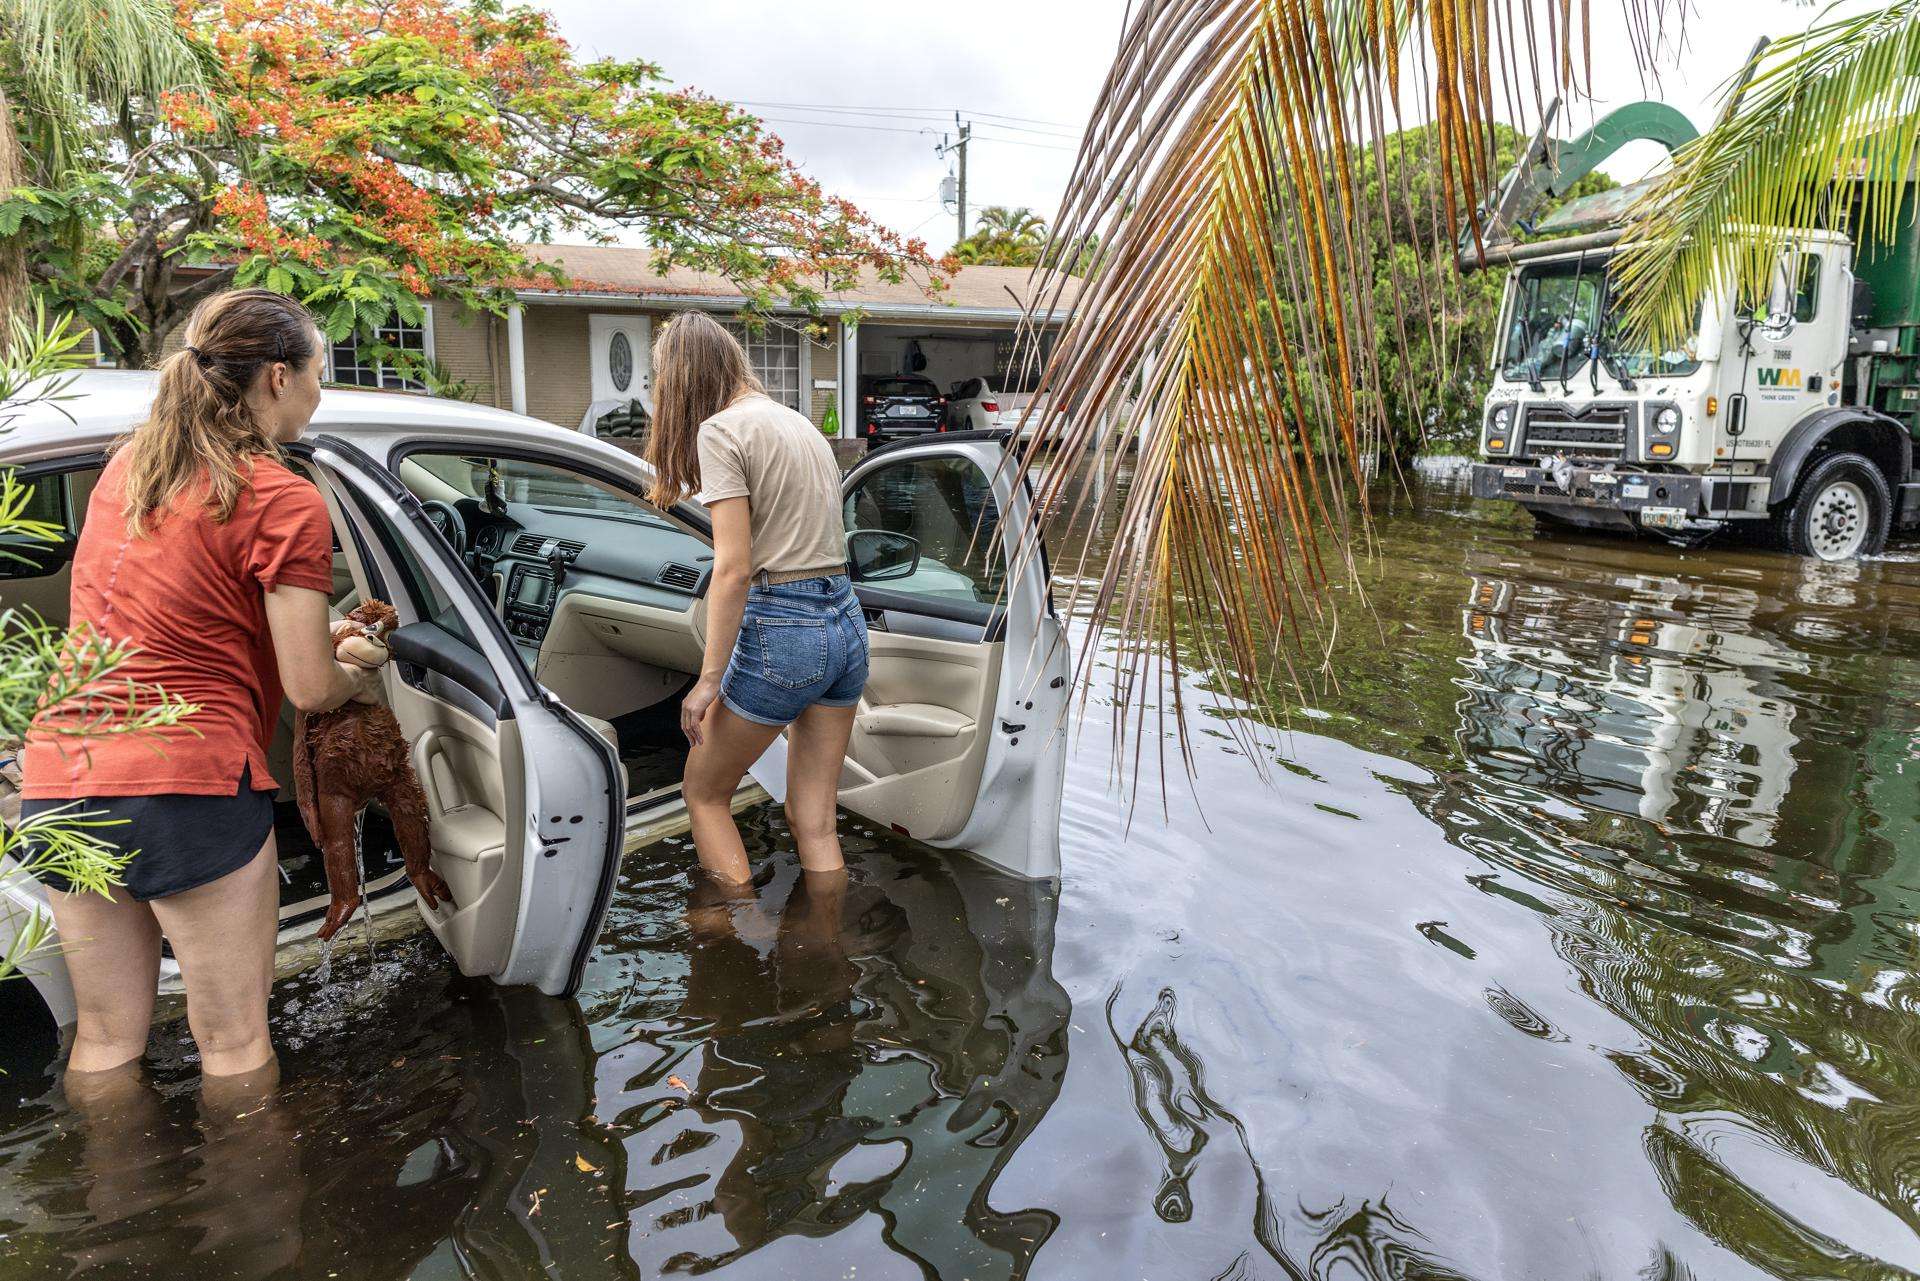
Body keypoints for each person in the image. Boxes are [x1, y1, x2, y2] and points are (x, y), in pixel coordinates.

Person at [20, 288, 381, 1081]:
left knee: (106, 1040)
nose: (321, 392)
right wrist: (358, 667)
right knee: (234, 1046)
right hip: (184, 783)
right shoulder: (283, 496)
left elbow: (179, 612)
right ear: (279, 378)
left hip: (64, 773)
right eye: (320, 371)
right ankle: (255, 1209)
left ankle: (118, 1203)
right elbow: (312, 689)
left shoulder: (130, 470)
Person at [645, 311, 868, 885]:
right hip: (845, 622)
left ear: (681, 377)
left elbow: (733, 570)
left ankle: (734, 947)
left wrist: (707, 681)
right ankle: (826, 954)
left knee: (704, 794)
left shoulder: (721, 430)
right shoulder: (797, 424)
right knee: (814, 821)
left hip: (783, 630)